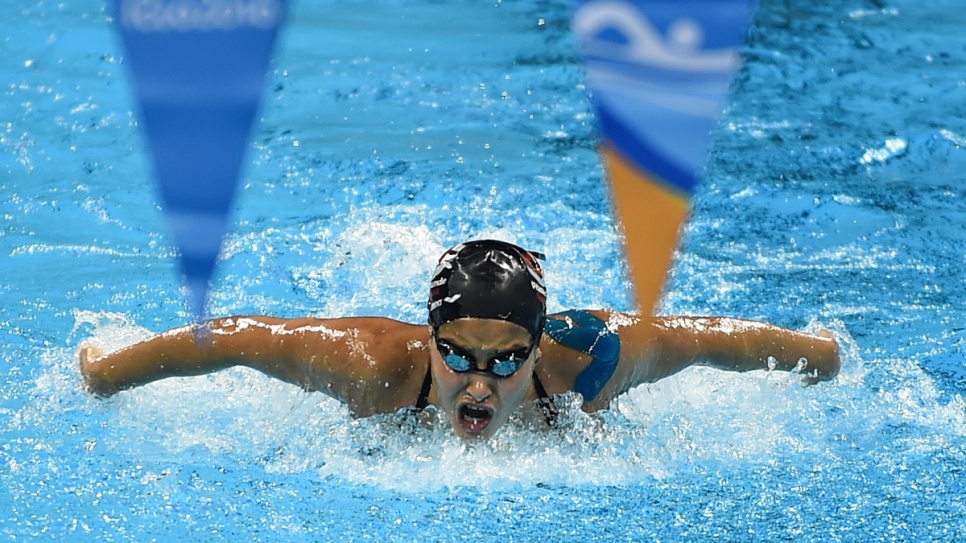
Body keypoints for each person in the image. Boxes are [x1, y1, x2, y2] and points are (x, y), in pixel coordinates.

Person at [79, 239, 841, 439]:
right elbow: (242, 336)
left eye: (508, 357)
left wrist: (818, 354)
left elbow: (705, 338)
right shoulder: (378, 368)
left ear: (538, 348)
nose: (479, 381)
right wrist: (107, 372)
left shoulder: (590, 365)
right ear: (433, 337)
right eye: (459, 354)